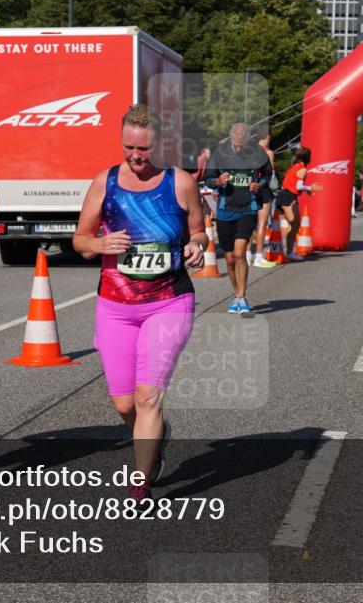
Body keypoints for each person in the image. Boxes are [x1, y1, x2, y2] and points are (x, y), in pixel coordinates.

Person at [73, 104, 206, 506]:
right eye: (129, 147)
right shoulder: (106, 182)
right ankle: (156, 435)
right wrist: (100, 243)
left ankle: (140, 487)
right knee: (124, 402)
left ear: (160, 144)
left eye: (144, 149)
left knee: (148, 398)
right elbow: (80, 241)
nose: (135, 156)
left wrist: (196, 246)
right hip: (116, 305)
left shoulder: (180, 183)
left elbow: (199, 231)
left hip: (168, 301)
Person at [204, 123, 269, 313]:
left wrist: (259, 184)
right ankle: (236, 296)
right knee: (230, 258)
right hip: (225, 210)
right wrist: (218, 181)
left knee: (240, 253)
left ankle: (242, 297)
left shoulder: (258, 153)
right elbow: (208, 179)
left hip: (248, 208)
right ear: (231, 138)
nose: (239, 148)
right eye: (236, 144)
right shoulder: (220, 154)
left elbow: (268, 174)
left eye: (243, 144)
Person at [276, 145, 322, 260]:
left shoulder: (295, 166)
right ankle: (288, 252)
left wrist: (308, 190)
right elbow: (299, 186)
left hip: (285, 195)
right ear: (308, 158)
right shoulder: (303, 169)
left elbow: (293, 184)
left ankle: (288, 251)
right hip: (288, 197)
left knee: (294, 225)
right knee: (295, 225)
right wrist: (310, 188)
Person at [252, 127, 277, 267]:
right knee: (262, 223)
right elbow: (270, 174)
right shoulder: (268, 152)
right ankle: (258, 257)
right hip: (263, 189)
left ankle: (247, 255)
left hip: (250, 188)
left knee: (249, 224)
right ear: (268, 136)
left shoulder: (250, 150)